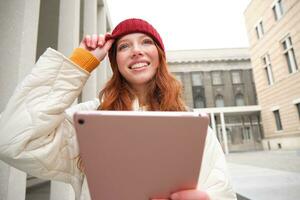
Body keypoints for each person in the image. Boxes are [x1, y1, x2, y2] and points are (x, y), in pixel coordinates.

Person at [0, 18, 236, 200]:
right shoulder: (89, 121)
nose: (136, 50)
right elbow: (13, 139)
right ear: (115, 62)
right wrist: (78, 64)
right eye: (124, 46)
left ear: (159, 56)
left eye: (146, 42)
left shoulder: (192, 124)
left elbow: (221, 190)